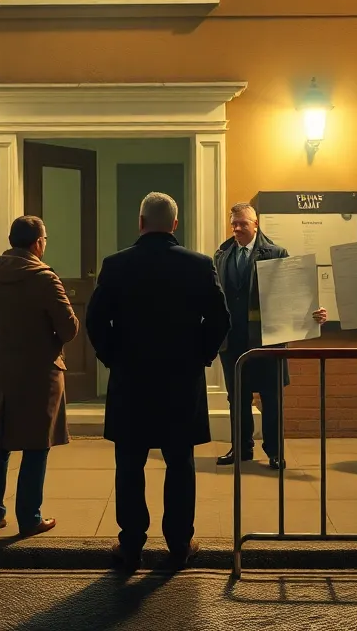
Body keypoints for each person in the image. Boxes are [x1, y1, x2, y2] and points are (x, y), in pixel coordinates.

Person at [87, 192, 230, 572]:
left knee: (129, 463)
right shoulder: (198, 265)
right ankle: (179, 543)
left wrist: (113, 357)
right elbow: (220, 319)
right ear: (175, 225)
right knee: (180, 462)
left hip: (131, 380)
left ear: (140, 222)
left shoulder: (116, 265)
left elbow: (96, 321)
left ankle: (131, 544)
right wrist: (201, 354)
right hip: (180, 380)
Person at [0, 215, 79, 537]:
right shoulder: (44, 278)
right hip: (38, 370)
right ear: (38, 243)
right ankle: (29, 517)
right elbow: (70, 328)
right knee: (36, 445)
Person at [215, 203, 326, 469]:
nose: (237, 228)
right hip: (232, 340)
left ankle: (275, 451)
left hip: (267, 339)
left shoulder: (276, 253)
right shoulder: (222, 253)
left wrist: (313, 311)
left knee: (271, 396)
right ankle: (241, 448)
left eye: (242, 223)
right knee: (236, 397)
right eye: (233, 223)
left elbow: (293, 292)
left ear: (256, 224)